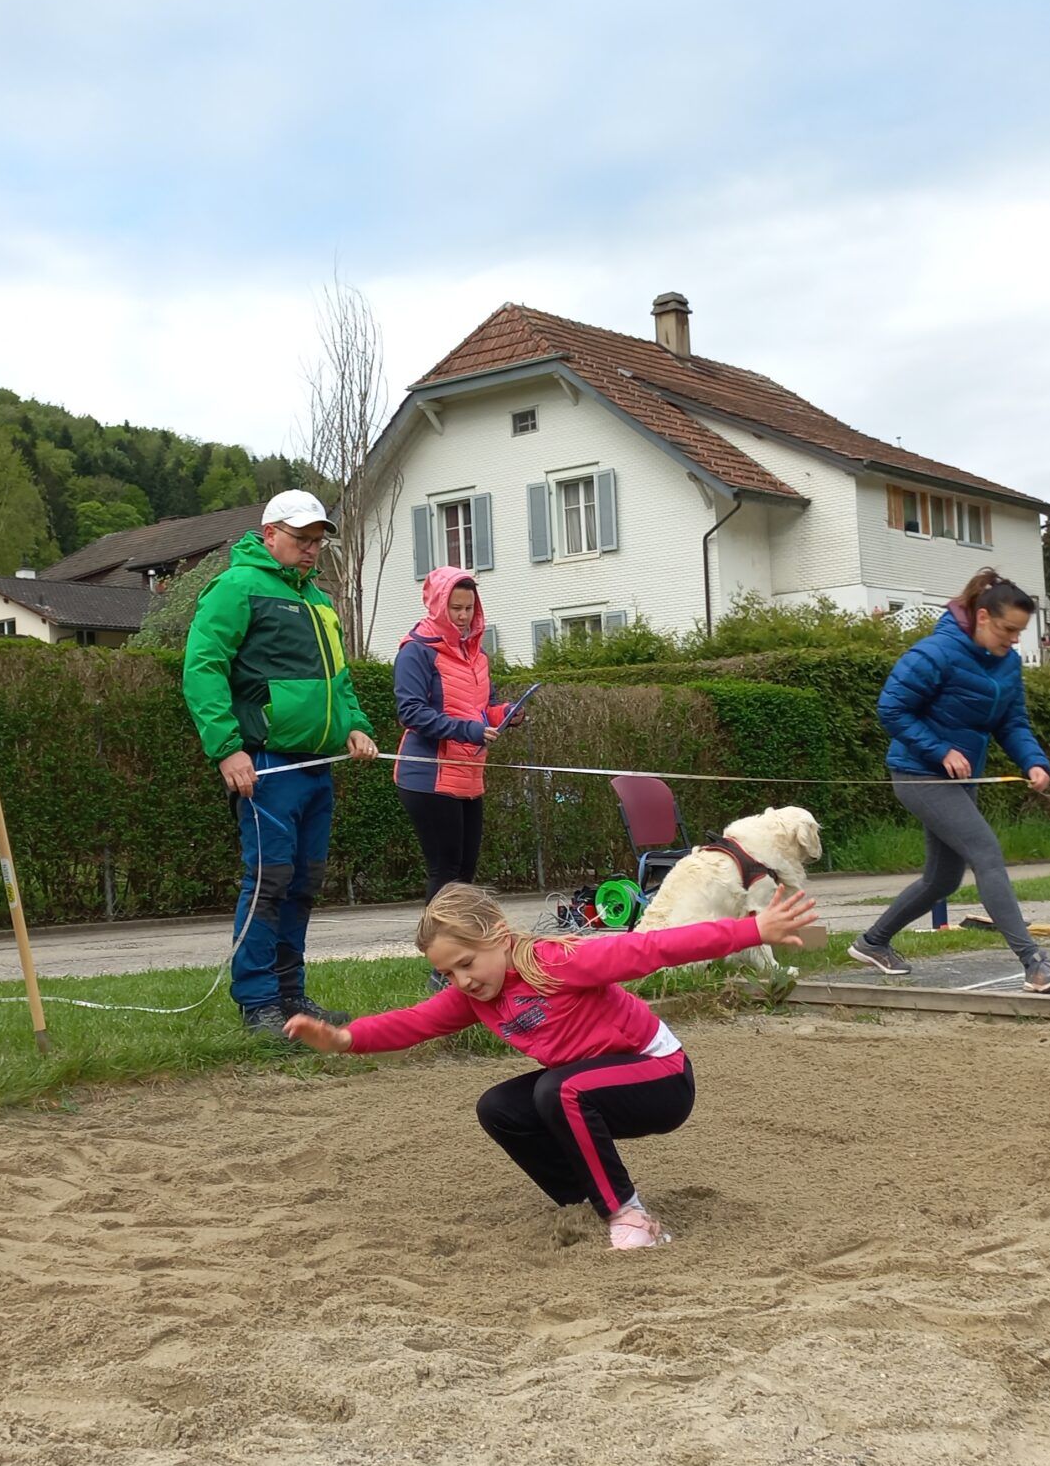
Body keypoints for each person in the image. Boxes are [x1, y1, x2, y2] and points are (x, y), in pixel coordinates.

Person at [284, 880, 824, 1249]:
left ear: (498, 936)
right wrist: (344, 1038)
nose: (463, 981)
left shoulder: (558, 962)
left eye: (467, 963)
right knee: (499, 1107)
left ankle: (630, 1215)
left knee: (559, 1092)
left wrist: (755, 930)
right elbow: (414, 1022)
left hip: (659, 1077)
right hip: (590, 1086)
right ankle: (585, 1202)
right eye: (449, 974)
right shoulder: (475, 998)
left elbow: (655, 949)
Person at [182, 490, 380, 1038]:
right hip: (266, 764)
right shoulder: (237, 586)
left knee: (303, 883)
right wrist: (227, 748)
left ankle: (291, 996)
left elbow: (338, 681)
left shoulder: (320, 602)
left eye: (318, 540)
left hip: (317, 766)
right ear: (269, 534)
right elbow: (203, 666)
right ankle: (257, 1002)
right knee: (269, 880)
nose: (312, 549)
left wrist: (357, 724)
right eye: (301, 538)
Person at [845, 569, 1050, 993]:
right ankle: (1034, 963)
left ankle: (873, 941)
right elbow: (891, 709)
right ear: (983, 617)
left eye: (1020, 632)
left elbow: (1012, 721)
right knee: (986, 851)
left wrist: (1033, 762)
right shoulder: (935, 653)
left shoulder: (1006, 665)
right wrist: (940, 750)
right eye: (1008, 629)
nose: (1014, 640)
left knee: (943, 880)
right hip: (918, 775)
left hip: (960, 780)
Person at [393, 567, 515, 903]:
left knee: (464, 873)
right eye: (455, 608)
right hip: (427, 777)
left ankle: (458, 952)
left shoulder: (476, 653)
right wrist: (468, 731)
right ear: (437, 605)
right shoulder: (416, 650)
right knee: (445, 872)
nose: (463, 617)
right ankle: (441, 953)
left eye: (469, 608)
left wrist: (504, 713)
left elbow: (482, 707)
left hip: (469, 776)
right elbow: (412, 713)